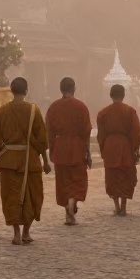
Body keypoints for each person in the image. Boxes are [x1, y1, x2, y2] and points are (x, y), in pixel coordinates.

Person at [0, 77, 50, 244]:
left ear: (11, 91)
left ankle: (16, 233)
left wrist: (3, 151)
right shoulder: (33, 111)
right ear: (26, 91)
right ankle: (26, 232)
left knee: (12, 197)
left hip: (9, 161)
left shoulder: (3, 111)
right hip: (30, 160)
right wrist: (46, 160)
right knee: (32, 195)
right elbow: (42, 139)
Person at [45, 76, 92, 226]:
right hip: (77, 146)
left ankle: (68, 212)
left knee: (63, 181)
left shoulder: (54, 107)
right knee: (78, 179)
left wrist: (52, 149)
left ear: (61, 89)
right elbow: (86, 131)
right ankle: (72, 201)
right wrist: (87, 151)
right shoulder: (81, 106)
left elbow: (49, 131)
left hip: (61, 146)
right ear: (74, 89)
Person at [97, 84, 140, 215]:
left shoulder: (103, 113)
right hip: (125, 145)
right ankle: (123, 206)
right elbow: (136, 131)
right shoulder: (130, 111)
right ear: (123, 95)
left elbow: (101, 134)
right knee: (126, 174)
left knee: (112, 175)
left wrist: (102, 148)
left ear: (111, 95)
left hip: (110, 145)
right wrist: (135, 147)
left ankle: (116, 206)